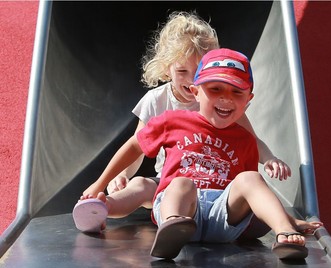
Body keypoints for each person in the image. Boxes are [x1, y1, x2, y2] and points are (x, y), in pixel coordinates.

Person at [73, 48, 323, 260]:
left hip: (220, 216)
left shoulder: (245, 139)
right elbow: (134, 147)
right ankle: (170, 228)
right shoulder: (172, 121)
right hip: (181, 208)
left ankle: (285, 233)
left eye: (237, 93)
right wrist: (100, 184)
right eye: (215, 89)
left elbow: (252, 193)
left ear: (249, 100)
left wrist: (289, 219)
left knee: (251, 179)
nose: (226, 99)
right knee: (181, 183)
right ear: (195, 92)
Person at [83, 11, 292, 224]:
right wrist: (122, 175)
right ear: (167, 69)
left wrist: (269, 159)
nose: (191, 78)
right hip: (170, 183)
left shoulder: (218, 101)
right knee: (141, 186)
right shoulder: (156, 100)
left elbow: (251, 139)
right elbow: (138, 148)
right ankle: (101, 207)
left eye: (199, 69)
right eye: (182, 70)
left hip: (216, 185)